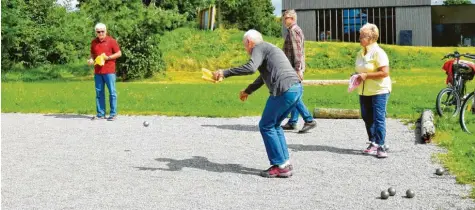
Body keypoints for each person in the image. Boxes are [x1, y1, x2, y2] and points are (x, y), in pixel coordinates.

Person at [212, 29, 302, 178]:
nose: (246, 50)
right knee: (274, 125)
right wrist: (248, 90)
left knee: (266, 125)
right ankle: (285, 163)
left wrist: (225, 72)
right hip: (296, 88)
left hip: (284, 89)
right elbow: (262, 77)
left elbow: (251, 68)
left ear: (249, 42)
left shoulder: (259, 47)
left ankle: (279, 165)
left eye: (245, 46)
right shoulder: (270, 48)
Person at [355, 23, 391, 158]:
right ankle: (373, 142)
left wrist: (366, 76)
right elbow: (361, 69)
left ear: (371, 38)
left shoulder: (378, 52)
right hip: (364, 90)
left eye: (362, 36)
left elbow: (385, 72)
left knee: (379, 118)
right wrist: (355, 76)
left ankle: (381, 146)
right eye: (360, 35)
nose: (359, 38)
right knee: (367, 116)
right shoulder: (360, 52)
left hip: (379, 90)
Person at [280, 9, 317, 133]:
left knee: (292, 95)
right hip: (294, 68)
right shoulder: (294, 30)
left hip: (293, 69)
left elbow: (297, 52)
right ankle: (293, 121)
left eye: (285, 18)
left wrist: (297, 69)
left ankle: (309, 119)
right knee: (295, 93)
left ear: (292, 18)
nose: (284, 21)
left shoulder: (293, 31)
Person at [87, 23, 122, 121]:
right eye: (98, 32)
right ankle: (100, 114)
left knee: (112, 92)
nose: (101, 33)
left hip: (109, 71)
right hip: (98, 71)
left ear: (106, 31)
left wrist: (108, 57)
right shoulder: (93, 42)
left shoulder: (111, 41)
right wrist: (90, 59)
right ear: (96, 32)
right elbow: (92, 55)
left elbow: (119, 53)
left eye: (102, 31)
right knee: (99, 93)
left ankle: (113, 114)